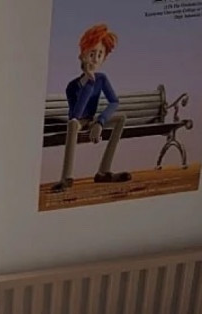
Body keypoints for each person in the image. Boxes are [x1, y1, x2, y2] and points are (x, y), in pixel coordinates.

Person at [51, 23, 132, 193]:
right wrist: (89, 81)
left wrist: (100, 122)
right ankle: (66, 178)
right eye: (91, 54)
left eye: (100, 54)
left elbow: (114, 102)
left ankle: (103, 172)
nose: (95, 59)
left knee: (121, 118)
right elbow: (76, 113)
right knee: (72, 124)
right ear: (82, 56)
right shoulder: (72, 86)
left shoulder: (102, 79)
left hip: (93, 120)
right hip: (79, 122)